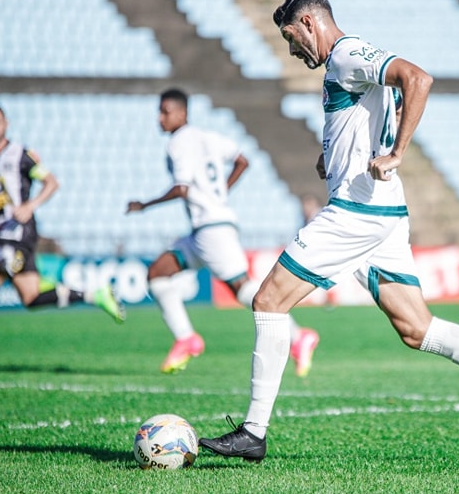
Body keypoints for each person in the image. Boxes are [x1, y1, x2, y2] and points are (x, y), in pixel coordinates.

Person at [199, 0, 459, 462]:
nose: (292, 50)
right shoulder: (347, 63)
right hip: (382, 215)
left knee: (268, 300)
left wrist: (398, 153)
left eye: (291, 38)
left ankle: (253, 432)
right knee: (417, 329)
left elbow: (417, 78)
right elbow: (368, 110)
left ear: (309, 23)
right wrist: (330, 156)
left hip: (357, 213)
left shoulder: (346, 53)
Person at [126, 88, 319, 375]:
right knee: (157, 274)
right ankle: (186, 338)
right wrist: (220, 194)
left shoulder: (178, 143)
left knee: (246, 292)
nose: (160, 118)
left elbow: (182, 188)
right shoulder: (210, 138)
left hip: (211, 229)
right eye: (160, 111)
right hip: (205, 229)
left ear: (182, 113)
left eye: (165, 111)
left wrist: (145, 204)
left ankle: (298, 335)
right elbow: (243, 160)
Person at [0, 104, 126, 372]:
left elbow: (52, 182)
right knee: (31, 297)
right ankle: (96, 295)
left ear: (6, 124)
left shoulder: (21, 155)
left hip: (18, 233)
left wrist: (31, 205)